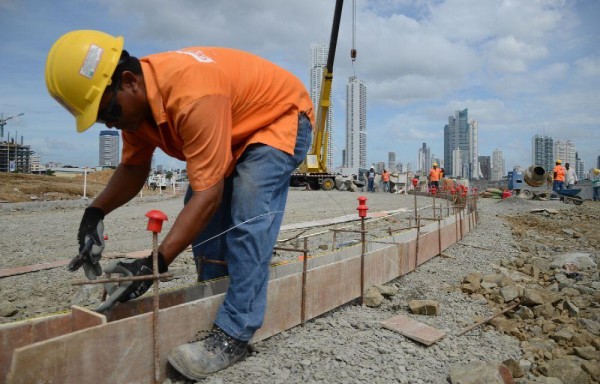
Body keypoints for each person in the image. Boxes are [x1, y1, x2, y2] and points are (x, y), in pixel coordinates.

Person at [45, 30, 314, 380]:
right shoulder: (135, 108)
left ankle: (234, 333)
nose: (109, 123)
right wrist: (93, 213)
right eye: (99, 119)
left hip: (280, 117)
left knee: (248, 208)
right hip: (235, 127)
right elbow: (132, 166)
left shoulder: (191, 94)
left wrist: (153, 264)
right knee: (201, 211)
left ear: (129, 81)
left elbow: (209, 196)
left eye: (107, 110)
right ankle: (216, 298)